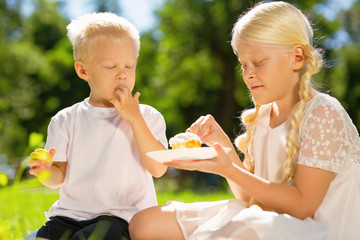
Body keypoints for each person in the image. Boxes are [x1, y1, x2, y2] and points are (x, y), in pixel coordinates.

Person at [129, 1, 360, 239]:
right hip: (271, 218)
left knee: (243, 232)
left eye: (258, 62)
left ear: (297, 57)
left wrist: (230, 168)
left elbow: (303, 207)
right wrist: (224, 150)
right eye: (243, 65)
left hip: (318, 230)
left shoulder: (323, 113)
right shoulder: (263, 115)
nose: (248, 73)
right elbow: (251, 198)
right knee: (145, 223)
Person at [26, 12, 168, 240]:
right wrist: (44, 172)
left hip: (122, 219)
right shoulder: (65, 120)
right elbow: (57, 177)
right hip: (69, 216)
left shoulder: (148, 116)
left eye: (129, 66)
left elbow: (158, 169)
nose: (122, 74)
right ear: (83, 70)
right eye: (111, 66)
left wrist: (135, 119)